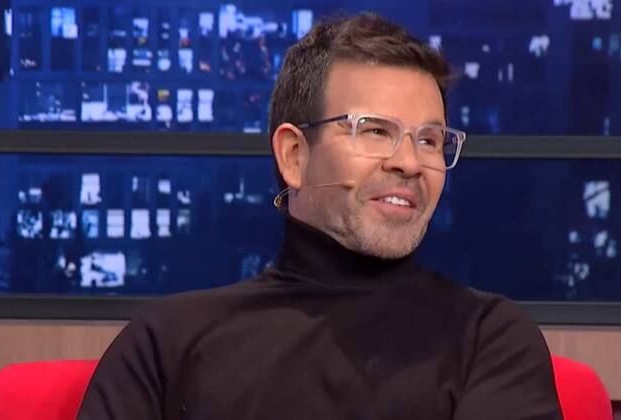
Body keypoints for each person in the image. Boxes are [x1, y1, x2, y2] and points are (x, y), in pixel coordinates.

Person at [78, 13, 562, 420]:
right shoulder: (168, 342)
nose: (410, 163)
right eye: (375, 131)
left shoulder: (488, 338)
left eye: (430, 140)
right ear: (294, 155)